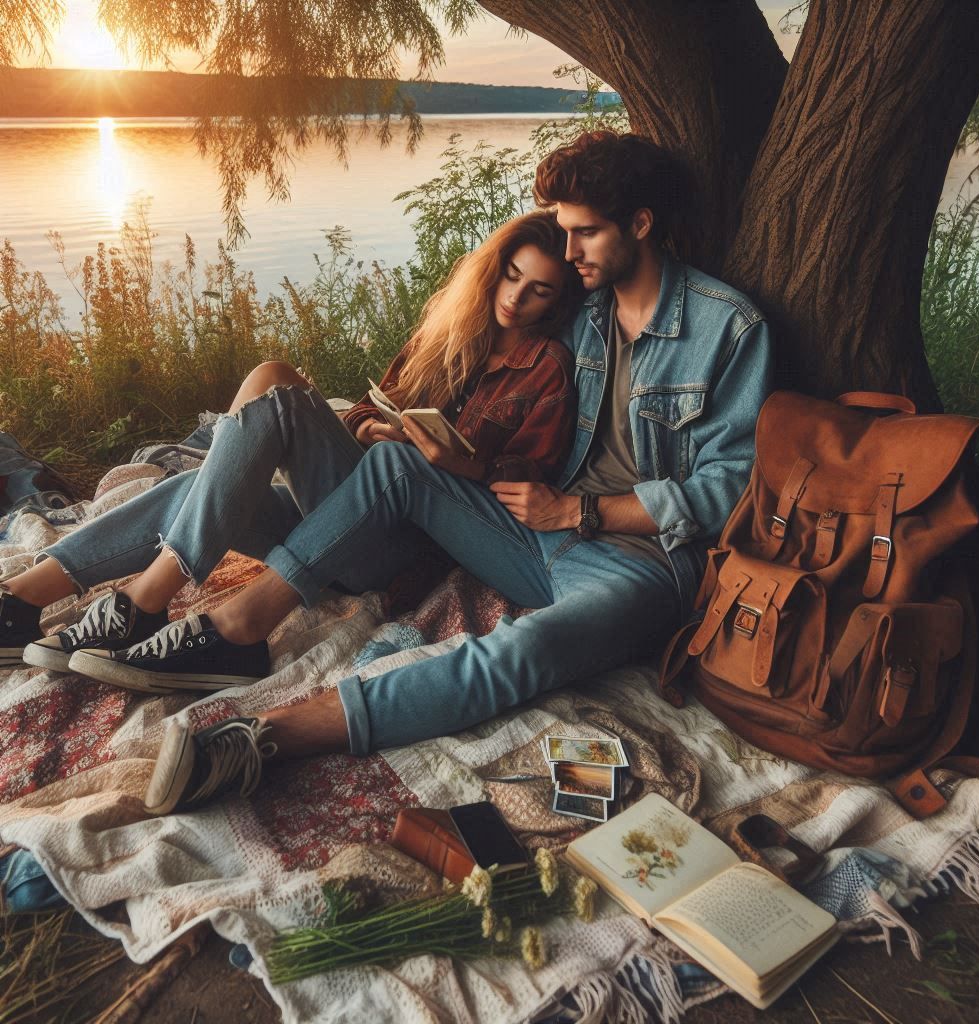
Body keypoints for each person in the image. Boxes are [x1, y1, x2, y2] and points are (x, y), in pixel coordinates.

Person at [94, 130, 774, 817]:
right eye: (564, 233)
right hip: (527, 528)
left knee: (523, 651)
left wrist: (579, 513)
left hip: (641, 560)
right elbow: (498, 341)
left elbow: (729, 491)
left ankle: (258, 740)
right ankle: (242, 627)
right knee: (391, 463)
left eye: (586, 234)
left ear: (642, 224)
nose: (569, 253)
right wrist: (414, 420)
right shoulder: (581, 310)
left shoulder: (728, 328)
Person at [0, 211, 581, 678]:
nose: (516, 297)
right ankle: (24, 600)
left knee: (280, 392)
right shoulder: (449, 333)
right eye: (511, 275)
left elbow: (533, 477)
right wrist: (367, 427)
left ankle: (145, 600)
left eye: (538, 292)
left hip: (407, 545)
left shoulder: (547, 367)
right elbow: (369, 404)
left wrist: (462, 464)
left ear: (555, 302)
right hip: (349, 507)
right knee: (203, 472)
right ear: (494, 268)